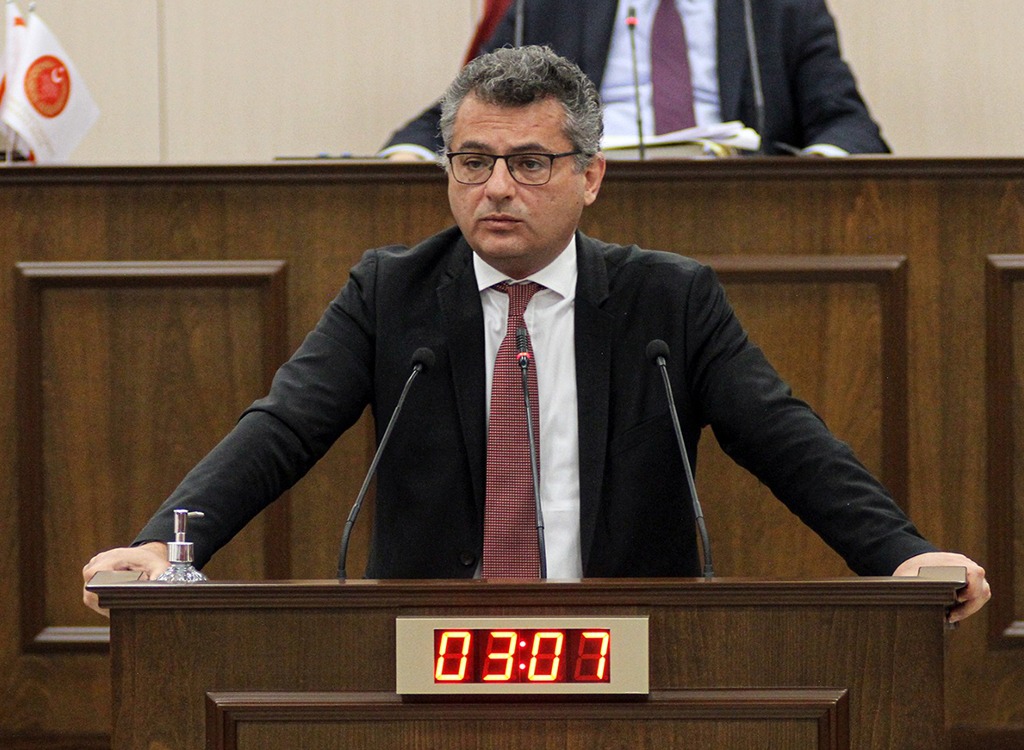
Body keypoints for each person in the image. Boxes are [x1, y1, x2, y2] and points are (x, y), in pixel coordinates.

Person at [84, 45, 986, 623]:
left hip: (628, 646)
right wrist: (165, 544)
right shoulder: (390, 292)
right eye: (474, 162)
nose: (497, 188)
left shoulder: (669, 301)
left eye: (529, 163)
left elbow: (788, 441)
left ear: (591, 177)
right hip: (432, 651)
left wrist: (903, 556)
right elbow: (282, 427)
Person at [380, 0, 888, 159]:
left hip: (737, 201)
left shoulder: (777, 9)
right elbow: (464, 111)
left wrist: (814, 177)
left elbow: (847, 124)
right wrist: (409, 155)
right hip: (584, 199)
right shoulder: (549, 6)